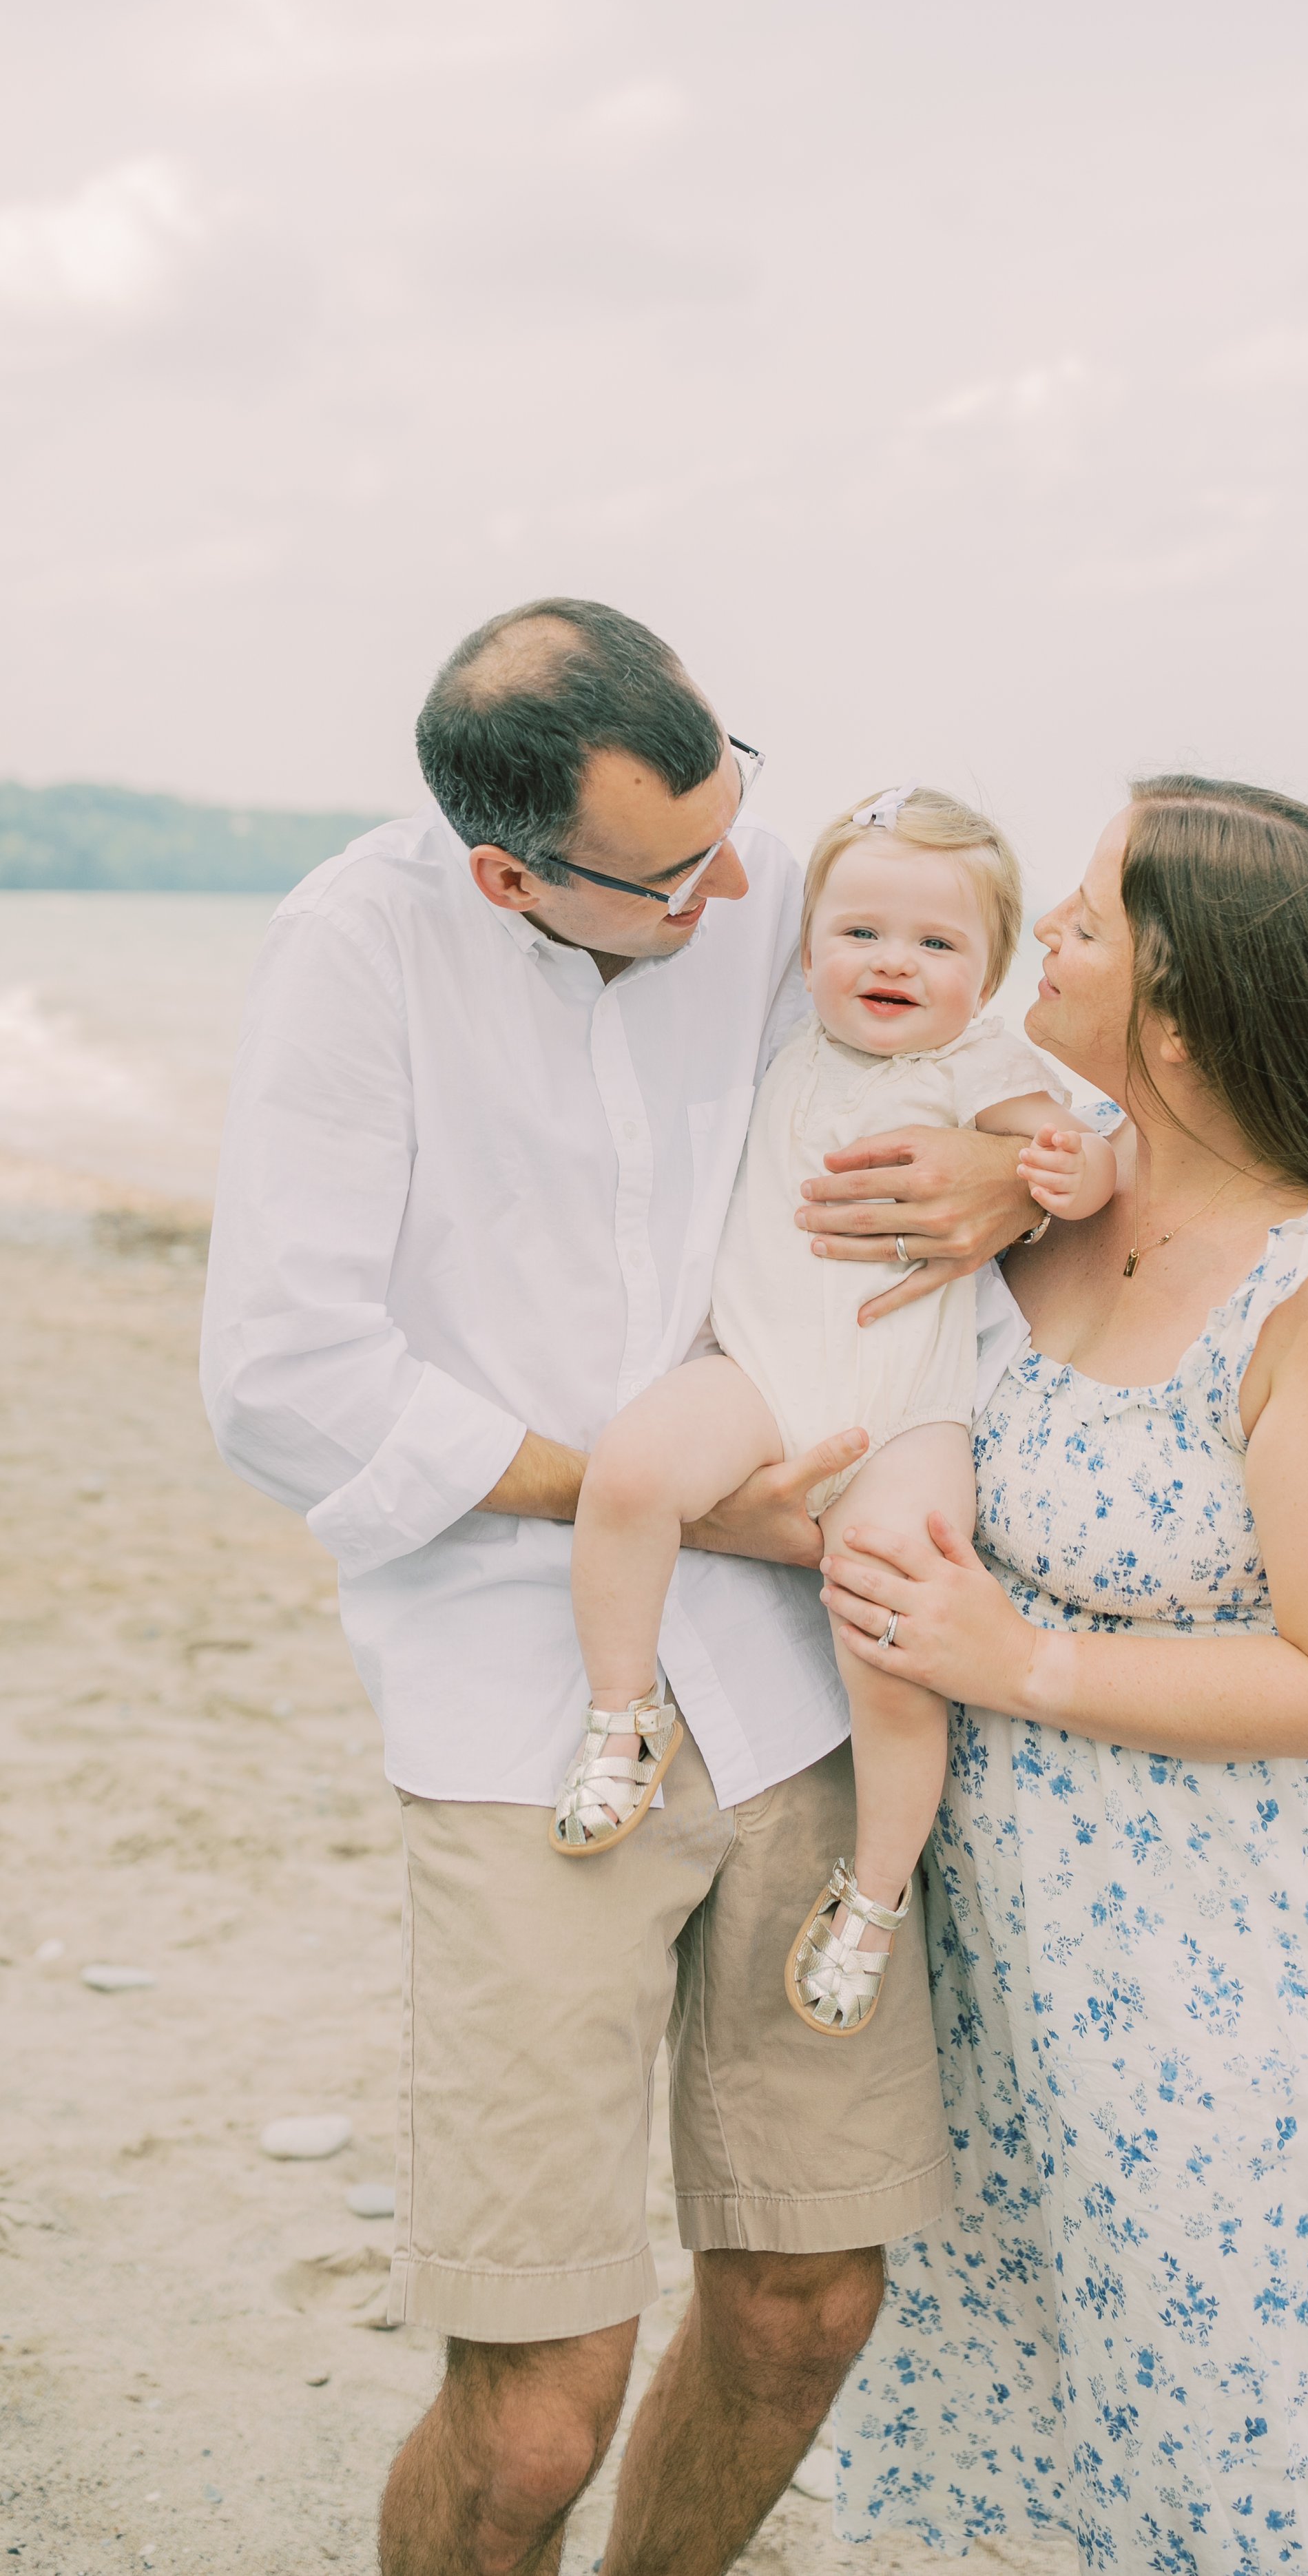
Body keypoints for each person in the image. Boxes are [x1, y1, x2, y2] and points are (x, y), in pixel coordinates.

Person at [199, 599, 1046, 2576]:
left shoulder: (749, 873)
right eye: (678, 871)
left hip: (803, 1677)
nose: (737, 879)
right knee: (537, 2403)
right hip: (522, 1700)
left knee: (807, 2305)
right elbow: (283, 1376)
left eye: (733, 808)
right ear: (511, 871)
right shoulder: (354, 948)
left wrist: (1008, 1171)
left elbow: (1012, 1015)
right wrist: (668, 1498)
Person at [822, 776, 1308, 2569]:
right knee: (1013, 2436)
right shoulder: (1034, 1208)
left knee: (1247, 2451)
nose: (1044, 929)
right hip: (997, 1959)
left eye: (1091, 919)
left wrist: (1011, 1651)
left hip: (1226, 1978)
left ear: (1185, 1007)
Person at [557, 782, 1114, 2044]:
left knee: (894, 1630)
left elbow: (1088, 1153)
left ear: (988, 973)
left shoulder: (984, 1065)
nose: (891, 962)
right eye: (859, 931)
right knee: (633, 1469)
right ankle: (621, 1712)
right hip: (759, 1373)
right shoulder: (778, 1043)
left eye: (936, 944)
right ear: (808, 945)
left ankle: (874, 1889)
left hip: (907, 1411)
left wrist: (1068, 1172)